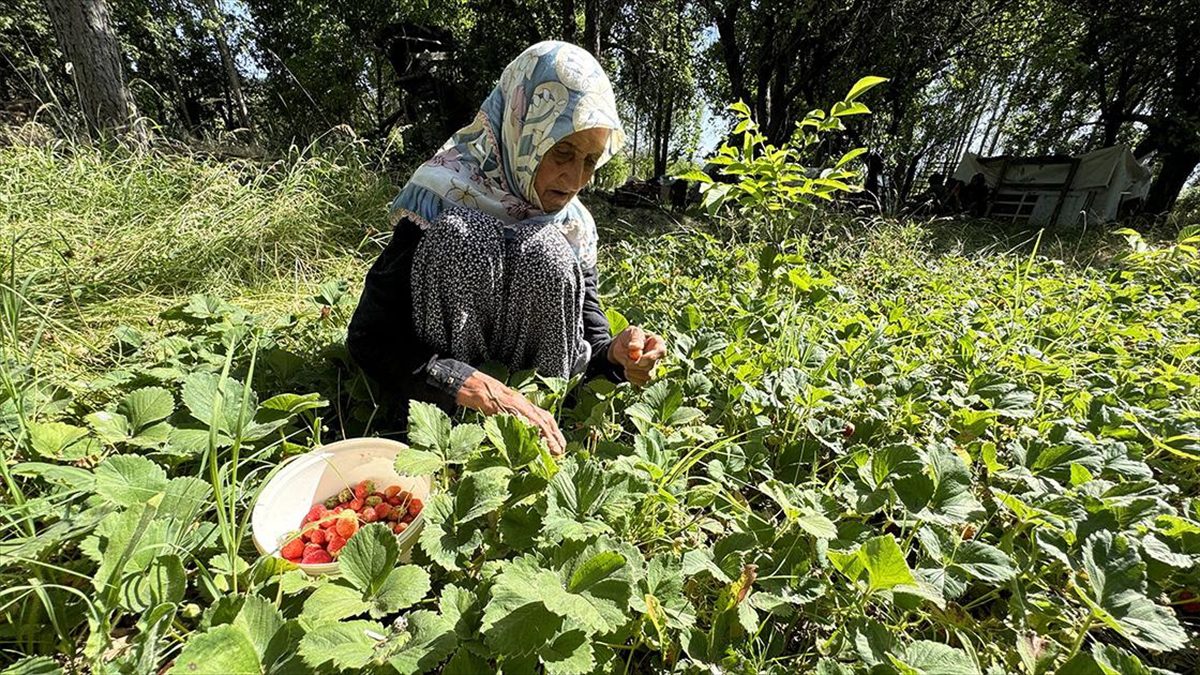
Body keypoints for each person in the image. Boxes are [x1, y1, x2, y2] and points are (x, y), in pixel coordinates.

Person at [347, 41, 667, 456]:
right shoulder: (442, 194)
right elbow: (370, 337)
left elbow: (591, 348)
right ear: (521, 130)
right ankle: (457, 429)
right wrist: (463, 383)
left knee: (547, 251)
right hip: (443, 408)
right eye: (562, 152)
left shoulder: (572, 226)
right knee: (464, 236)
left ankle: (539, 427)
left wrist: (620, 357)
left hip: (539, 421)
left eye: (589, 161)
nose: (574, 180)